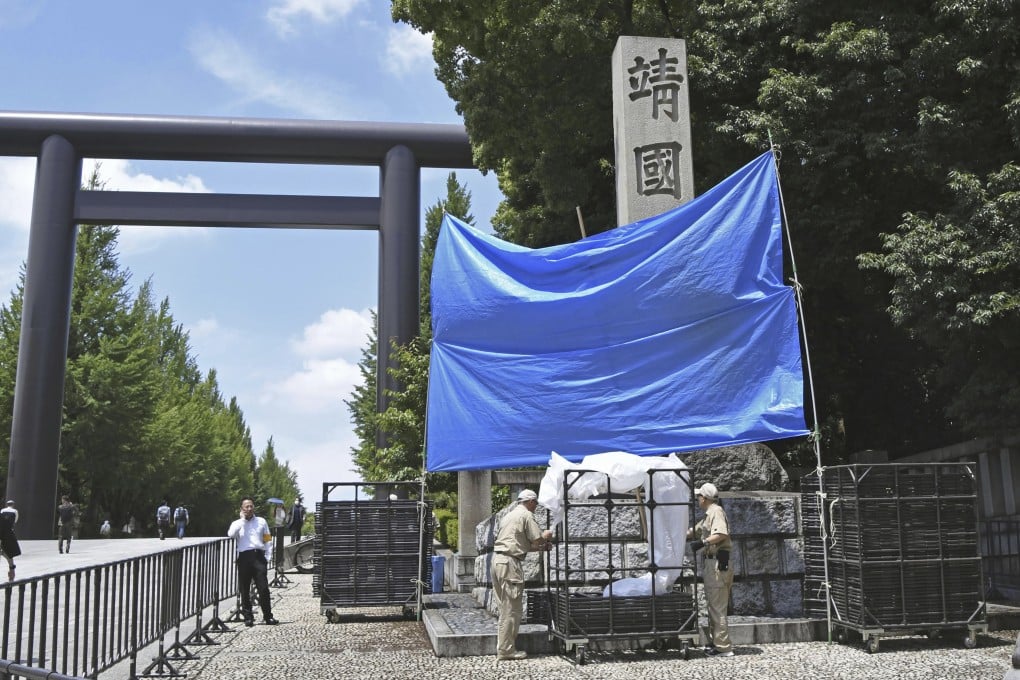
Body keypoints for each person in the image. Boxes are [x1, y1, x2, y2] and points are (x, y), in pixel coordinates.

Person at [490, 489, 553, 661]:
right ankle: (506, 650)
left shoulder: (509, 516)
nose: (536, 507)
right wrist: (546, 537)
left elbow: (519, 544)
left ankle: (504, 646)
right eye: (536, 503)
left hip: (497, 561)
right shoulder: (526, 515)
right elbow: (537, 539)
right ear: (531, 501)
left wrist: (540, 547)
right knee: (512, 609)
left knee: (505, 608)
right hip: (510, 564)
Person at [687, 482, 735, 657]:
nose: (697, 498)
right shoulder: (709, 514)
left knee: (717, 607)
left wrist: (704, 542)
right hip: (712, 564)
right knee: (714, 605)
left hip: (717, 566)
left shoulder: (716, 512)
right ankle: (717, 643)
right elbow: (694, 531)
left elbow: (721, 534)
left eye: (699, 496)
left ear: (704, 498)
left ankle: (723, 648)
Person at [227, 497, 278, 626]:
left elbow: (267, 538)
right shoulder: (237, 523)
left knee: (264, 589)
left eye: (251, 506)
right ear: (242, 509)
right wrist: (242, 521)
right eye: (246, 507)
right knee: (244, 589)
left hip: (258, 557)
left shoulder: (261, 521)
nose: (249, 509)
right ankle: (248, 617)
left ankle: (268, 616)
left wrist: (268, 556)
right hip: (244, 557)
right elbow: (231, 534)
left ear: (253, 507)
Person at [0, 500, 21, 581]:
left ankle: (11, 569)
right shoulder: (15, 511)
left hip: (2, 532)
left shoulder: (2, 511)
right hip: (8, 533)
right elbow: (15, 521)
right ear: (13, 504)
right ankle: (11, 570)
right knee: (9, 553)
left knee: (5, 551)